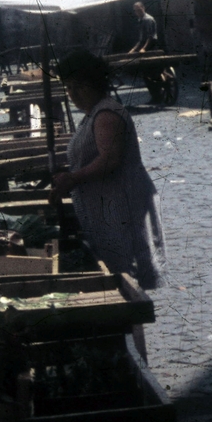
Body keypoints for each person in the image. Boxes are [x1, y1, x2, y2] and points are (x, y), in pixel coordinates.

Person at [50, 50, 164, 359]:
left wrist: (74, 178)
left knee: (126, 286)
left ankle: (138, 362)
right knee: (121, 282)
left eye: (74, 88)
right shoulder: (95, 114)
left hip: (121, 209)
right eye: (68, 88)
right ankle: (131, 356)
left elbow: (110, 160)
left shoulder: (107, 115)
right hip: (108, 209)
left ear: (89, 85)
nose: (71, 95)